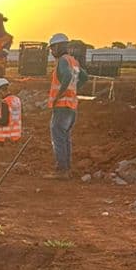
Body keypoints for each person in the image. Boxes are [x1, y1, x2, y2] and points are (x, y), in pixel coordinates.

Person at [46, 32, 80, 178]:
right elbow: (83, 77)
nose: (52, 52)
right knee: (65, 137)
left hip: (62, 106)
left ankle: (62, 170)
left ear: (59, 46)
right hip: (72, 107)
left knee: (58, 137)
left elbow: (66, 77)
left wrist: (57, 97)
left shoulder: (62, 61)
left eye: (53, 48)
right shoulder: (74, 61)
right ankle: (66, 168)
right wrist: (72, 92)